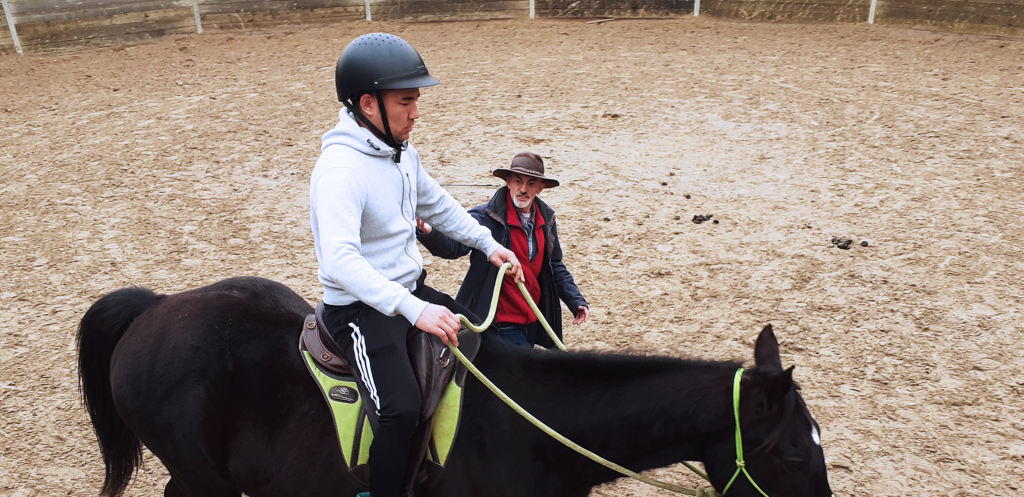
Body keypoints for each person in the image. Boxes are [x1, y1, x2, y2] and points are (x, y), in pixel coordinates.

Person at [309, 33, 522, 497]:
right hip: (361, 310)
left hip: (408, 290)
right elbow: (340, 261)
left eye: (416, 100)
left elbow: (437, 203)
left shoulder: (400, 153)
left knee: (481, 346)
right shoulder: (340, 172)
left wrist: (487, 244)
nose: (416, 113)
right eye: (406, 101)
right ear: (368, 104)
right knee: (400, 409)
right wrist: (413, 308)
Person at [417, 152, 589, 348]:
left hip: (533, 319)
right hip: (500, 324)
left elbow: (554, 264)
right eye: (518, 181)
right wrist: (427, 230)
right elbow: (453, 247)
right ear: (508, 182)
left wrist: (575, 300)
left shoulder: (546, 219)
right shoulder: (484, 217)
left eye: (531, 183)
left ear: (540, 188)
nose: (523, 189)